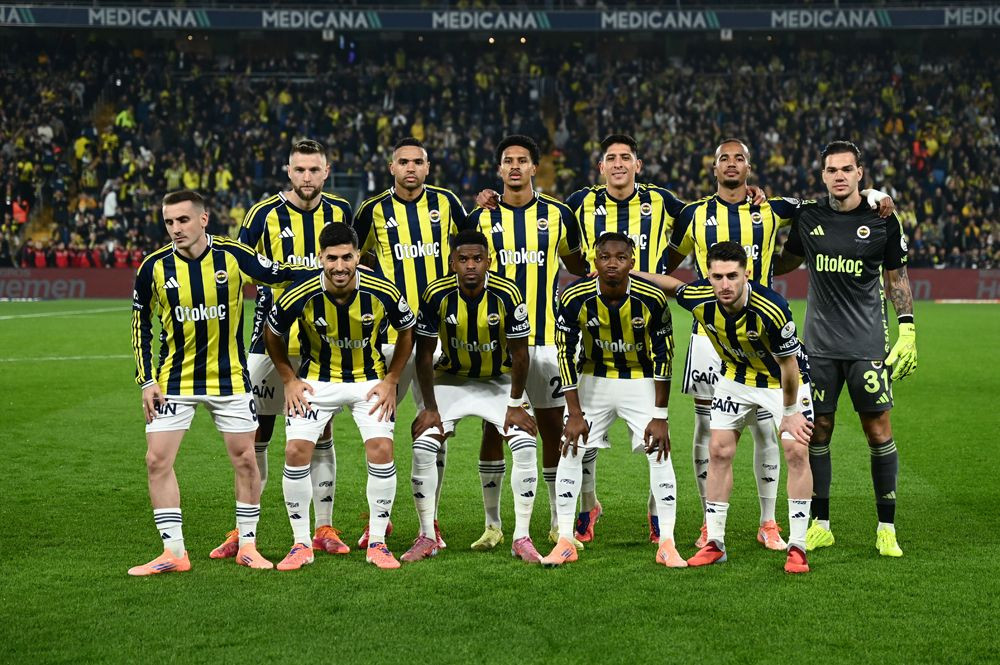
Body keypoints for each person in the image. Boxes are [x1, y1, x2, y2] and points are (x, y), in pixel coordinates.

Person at [662, 138, 894, 550]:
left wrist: (874, 194)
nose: (731, 164)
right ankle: (708, 521)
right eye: (723, 159)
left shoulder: (774, 208)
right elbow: (667, 262)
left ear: (749, 167)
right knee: (708, 432)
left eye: (739, 158)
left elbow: (827, 203)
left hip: (764, 333)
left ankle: (769, 522)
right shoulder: (692, 214)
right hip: (708, 334)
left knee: (770, 433)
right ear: (713, 167)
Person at [128, 190, 312, 576]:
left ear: (203, 219)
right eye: (169, 222)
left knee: (245, 459)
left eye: (183, 220)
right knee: (156, 460)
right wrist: (146, 381)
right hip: (174, 380)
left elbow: (279, 274)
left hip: (229, 380)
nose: (176, 228)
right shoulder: (153, 267)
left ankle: (248, 545)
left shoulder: (233, 255)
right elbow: (140, 325)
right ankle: (173, 551)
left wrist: (330, 272)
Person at [211, 139, 355, 560]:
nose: (307, 177)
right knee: (256, 433)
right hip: (268, 339)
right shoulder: (262, 214)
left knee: (320, 432)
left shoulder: (341, 211)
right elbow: (241, 268)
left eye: (314, 169)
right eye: (300, 170)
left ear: (326, 172)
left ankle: (324, 527)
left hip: (321, 341)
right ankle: (244, 531)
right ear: (288, 172)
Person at [775, 140, 915, 558]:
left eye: (846, 169)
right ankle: (821, 525)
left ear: (859, 173)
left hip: (866, 345)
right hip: (818, 347)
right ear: (823, 176)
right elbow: (786, 261)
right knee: (818, 430)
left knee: (878, 430)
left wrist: (907, 328)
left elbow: (896, 279)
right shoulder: (808, 216)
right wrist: (752, 265)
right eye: (832, 170)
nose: (839, 175)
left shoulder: (883, 219)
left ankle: (886, 528)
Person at [644, 241, 815, 573]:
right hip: (735, 378)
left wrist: (790, 413)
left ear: (746, 274)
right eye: (717, 277)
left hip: (781, 382)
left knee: (796, 451)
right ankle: (715, 543)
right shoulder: (701, 297)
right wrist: (631, 275)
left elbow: (789, 365)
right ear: (708, 276)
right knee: (719, 450)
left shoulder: (772, 308)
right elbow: (674, 286)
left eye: (732, 276)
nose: (725, 284)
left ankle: (798, 546)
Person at [266, 223, 416, 571]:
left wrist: (392, 379)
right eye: (331, 258)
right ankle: (301, 544)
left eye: (346, 257)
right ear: (320, 257)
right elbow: (272, 333)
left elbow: (407, 330)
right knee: (295, 451)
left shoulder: (382, 290)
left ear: (357, 256)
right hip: (316, 382)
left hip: (369, 381)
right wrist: (288, 379)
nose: (339, 266)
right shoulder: (299, 292)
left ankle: (377, 543)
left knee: (381, 449)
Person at [465, 134, 589, 550]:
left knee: (553, 428)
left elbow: (576, 263)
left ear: (535, 167)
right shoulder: (480, 217)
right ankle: (493, 525)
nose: (515, 166)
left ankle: (556, 522)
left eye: (522, 160)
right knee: (493, 427)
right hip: (498, 342)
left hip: (548, 339)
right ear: (499, 169)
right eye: (508, 160)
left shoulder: (558, 213)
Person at [351, 137, 468, 550]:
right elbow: (355, 257)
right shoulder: (371, 210)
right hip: (386, 338)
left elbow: (471, 250)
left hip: (438, 338)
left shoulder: (447, 203)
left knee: (435, 428)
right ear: (392, 167)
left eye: (418, 161)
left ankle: (429, 520)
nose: (411, 168)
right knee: (377, 430)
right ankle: (377, 521)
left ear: (428, 167)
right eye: (403, 162)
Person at [541, 232, 682, 568]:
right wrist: (574, 412)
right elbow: (565, 353)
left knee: (659, 452)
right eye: (605, 257)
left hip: (640, 379)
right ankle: (565, 539)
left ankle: (667, 543)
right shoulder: (575, 296)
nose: (612, 264)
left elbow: (664, 356)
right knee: (570, 448)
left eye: (620, 257)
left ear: (632, 262)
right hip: (594, 378)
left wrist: (660, 415)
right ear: (595, 261)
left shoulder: (652, 298)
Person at [401, 230, 541, 564]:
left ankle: (521, 537)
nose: (470, 265)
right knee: (423, 444)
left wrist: (515, 405)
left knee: (525, 444)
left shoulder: (507, 293)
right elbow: (424, 354)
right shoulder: (436, 293)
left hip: (499, 380)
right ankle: (427, 535)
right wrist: (429, 408)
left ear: (488, 261)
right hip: (451, 379)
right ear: (452, 263)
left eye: (477, 259)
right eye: (463, 259)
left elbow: (521, 355)